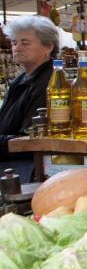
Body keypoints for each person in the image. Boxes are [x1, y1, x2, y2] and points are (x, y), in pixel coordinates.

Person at [0, 16, 60, 179]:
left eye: (25, 43)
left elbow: (30, 139)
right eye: (14, 43)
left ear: (48, 47)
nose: (17, 48)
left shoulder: (48, 83)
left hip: (25, 170)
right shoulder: (22, 78)